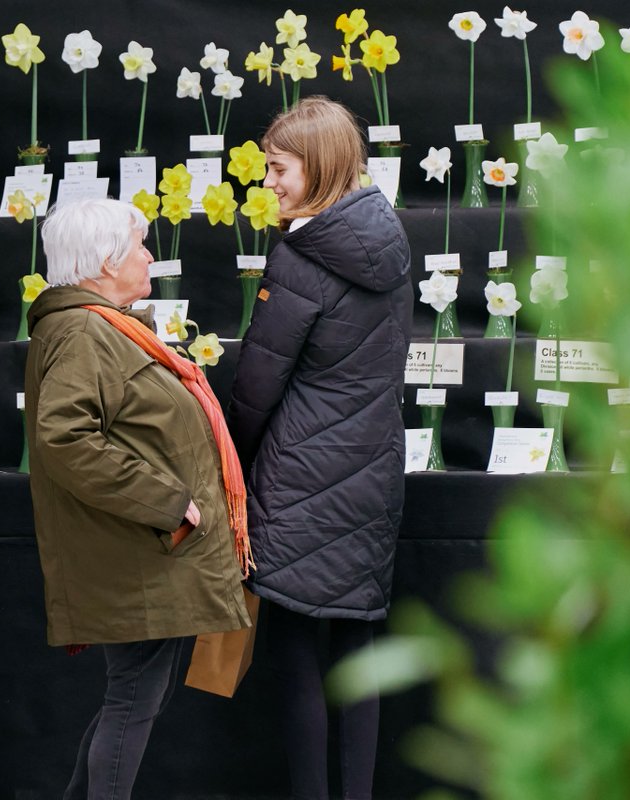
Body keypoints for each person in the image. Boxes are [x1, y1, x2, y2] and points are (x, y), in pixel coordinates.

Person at [25, 198, 253, 799]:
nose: (150, 256)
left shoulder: (103, 326)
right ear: (104, 261)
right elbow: (66, 438)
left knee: (128, 701)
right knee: (131, 704)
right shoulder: (83, 331)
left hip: (144, 554)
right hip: (138, 553)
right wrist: (168, 502)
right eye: (139, 246)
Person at [228, 97, 412, 800]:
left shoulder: (302, 258)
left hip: (302, 478)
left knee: (300, 654)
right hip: (372, 473)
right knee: (357, 648)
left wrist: (232, 463)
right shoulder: (389, 243)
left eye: (279, 168)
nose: (268, 182)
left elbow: (257, 386)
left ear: (320, 166)